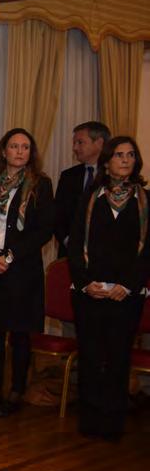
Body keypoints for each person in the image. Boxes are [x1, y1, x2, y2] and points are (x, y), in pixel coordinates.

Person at [0, 129, 55, 417]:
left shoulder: (41, 185)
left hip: (22, 269)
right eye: (14, 146)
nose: (19, 152)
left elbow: (43, 230)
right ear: (3, 152)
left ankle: (16, 392)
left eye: (25, 147)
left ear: (31, 153)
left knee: (19, 334)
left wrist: (10, 256)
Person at [68, 136, 150, 442]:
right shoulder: (91, 197)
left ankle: (114, 420)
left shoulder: (145, 200)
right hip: (91, 291)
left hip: (126, 295)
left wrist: (128, 285)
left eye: (130, 155)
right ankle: (90, 420)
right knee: (90, 356)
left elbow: (147, 251)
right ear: (106, 162)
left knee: (118, 357)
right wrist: (85, 282)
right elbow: (75, 244)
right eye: (119, 155)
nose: (125, 160)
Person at [54, 122, 111, 258]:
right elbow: (57, 214)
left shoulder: (113, 176)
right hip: (69, 255)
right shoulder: (68, 176)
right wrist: (67, 240)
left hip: (105, 255)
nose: (75, 148)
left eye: (80, 142)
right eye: (74, 143)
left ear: (99, 143)